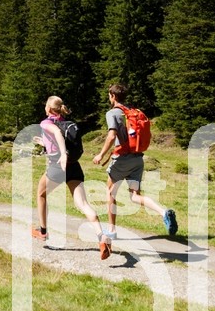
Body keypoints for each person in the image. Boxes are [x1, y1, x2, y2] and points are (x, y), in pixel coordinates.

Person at [91, 83, 178, 254]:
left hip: (121, 159)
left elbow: (112, 135)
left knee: (110, 193)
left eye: (109, 95)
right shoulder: (133, 112)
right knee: (134, 196)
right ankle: (163, 212)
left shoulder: (113, 113)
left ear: (113, 96)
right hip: (137, 159)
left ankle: (112, 230)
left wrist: (101, 154)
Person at [31, 95, 112, 260]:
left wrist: (62, 154)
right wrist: (43, 143)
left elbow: (57, 135)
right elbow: (59, 140)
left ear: (49, 109)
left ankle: (43, 231)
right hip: (74, 166)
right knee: (83, 204)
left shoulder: (46, 123)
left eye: (46, 106)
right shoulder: (67, 123)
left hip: (58, 166)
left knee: (41, 194)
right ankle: (101, 236)